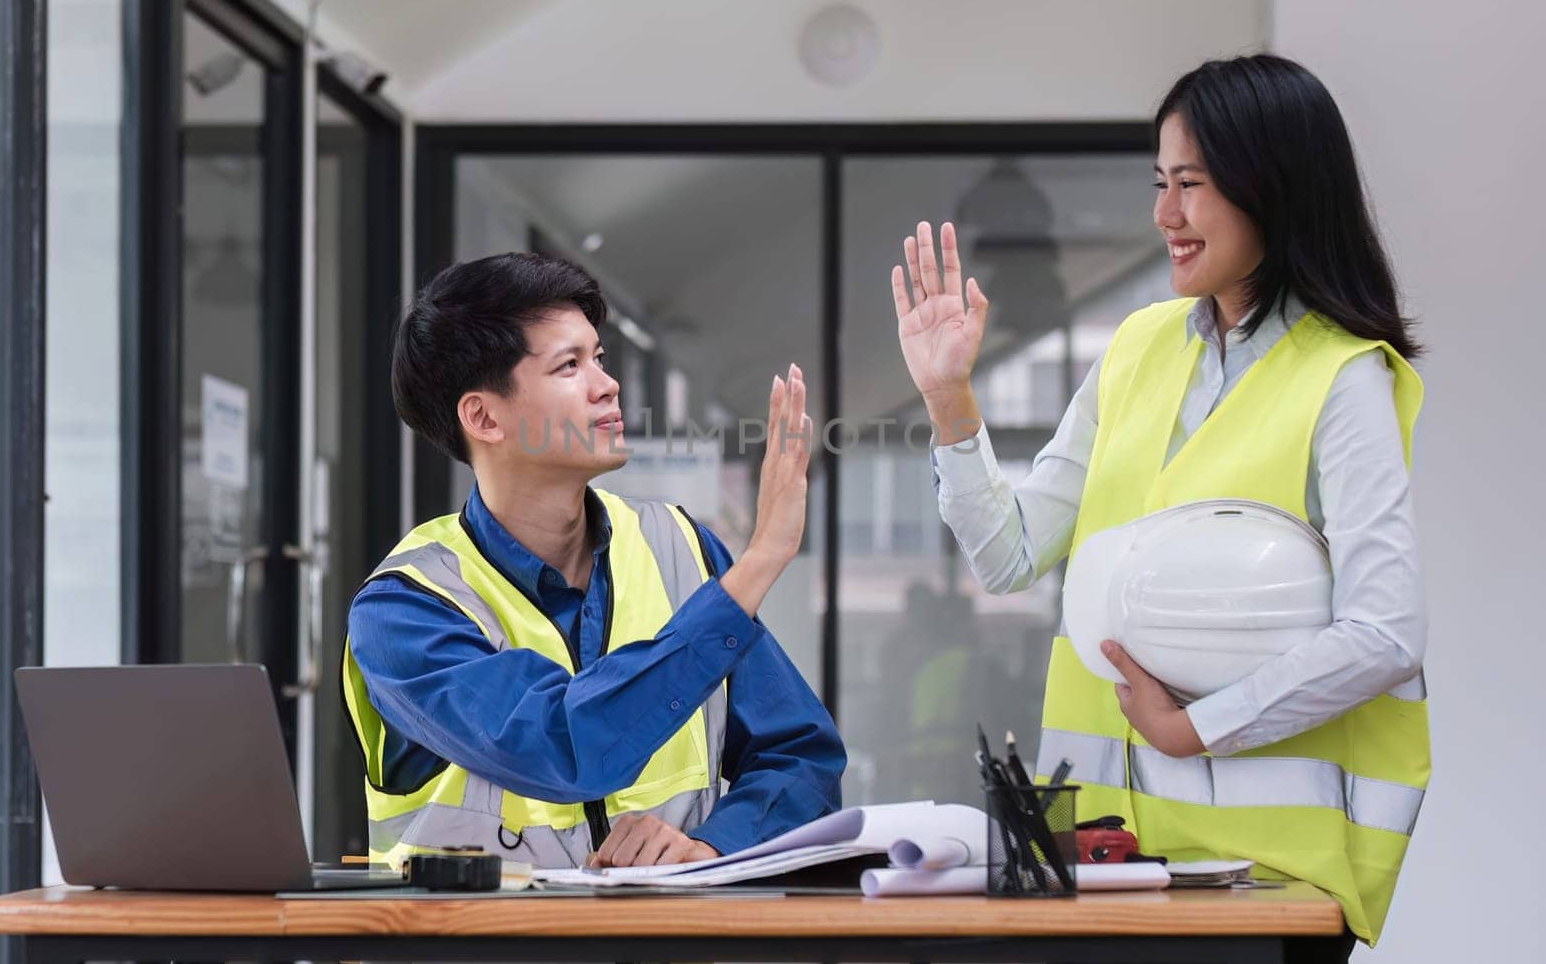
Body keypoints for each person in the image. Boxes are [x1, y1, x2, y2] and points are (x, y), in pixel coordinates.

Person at [891, 54, 1427, 954]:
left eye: (1190, 184)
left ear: (1272, 187)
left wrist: (1198, 728)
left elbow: (1387, 632)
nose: (1163, 215)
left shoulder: (1345, 378)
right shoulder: (1136, 348)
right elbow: (1010, 557)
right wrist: (949, 401)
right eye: (1158, 183)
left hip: (1270, 882)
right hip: (1113, 861)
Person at [345, 252, 844, 871]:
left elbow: (802, 756)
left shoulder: (681, 548)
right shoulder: (406, 607)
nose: (606, 385)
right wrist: (762, 559)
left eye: (599, 358)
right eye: (569, 365)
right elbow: (560, 747)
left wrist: (711, 844)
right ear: (482, 416)